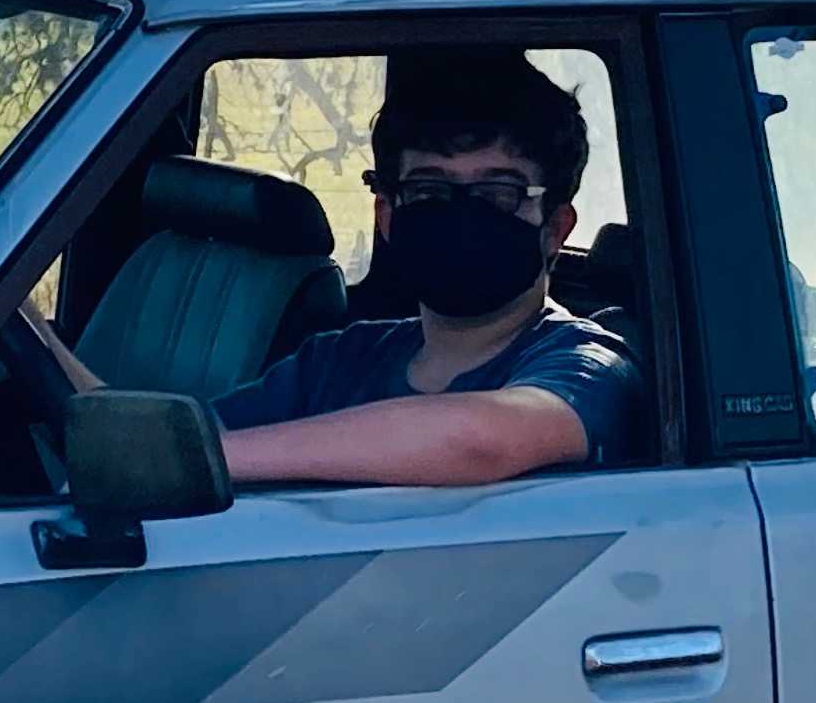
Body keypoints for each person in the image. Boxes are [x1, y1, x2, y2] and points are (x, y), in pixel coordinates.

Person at [204, 51, 641, 485]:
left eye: (499, 193)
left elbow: (479, 442)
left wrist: (215, 460)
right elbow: (194, 438)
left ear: (556, 229)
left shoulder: (589, 366)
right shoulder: (337, 360)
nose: (463, 215)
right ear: (387, 217)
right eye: (429, 190)